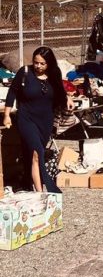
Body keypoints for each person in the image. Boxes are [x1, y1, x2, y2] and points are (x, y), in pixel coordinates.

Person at [3, 47, 73, 193]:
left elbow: (60, 89)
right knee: (37, 153)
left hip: (45, 121)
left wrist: (68, 98)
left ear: (49, 64)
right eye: (36, 62)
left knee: (33, 153)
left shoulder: (54, 73)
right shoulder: (25, 72)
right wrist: (7, 115)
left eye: (42, 64)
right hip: (26, 118)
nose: (38, 66)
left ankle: (28, 182)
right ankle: (41, 191)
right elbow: (12, 92)